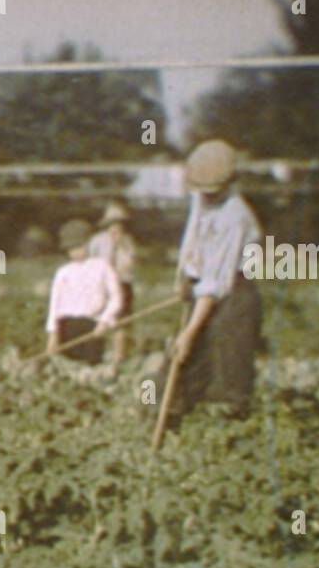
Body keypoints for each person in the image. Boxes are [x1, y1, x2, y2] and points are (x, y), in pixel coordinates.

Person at [158, 138, 264, 423]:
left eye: (212, 193)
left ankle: (226, 434)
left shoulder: (235, 217)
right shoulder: (201, 198)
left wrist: (190, 331)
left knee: (226, 365)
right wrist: (186, 276)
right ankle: (175, 424)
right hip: (205, 287)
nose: (206, 198)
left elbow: (217, 281)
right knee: (182, 365)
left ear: (230, 183)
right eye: (201, 192)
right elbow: (194, 237)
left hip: (235, 293)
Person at [46, 219, 124, 365]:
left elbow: (116, 299)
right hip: (67, 326)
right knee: (68, 366)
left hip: (92, 326)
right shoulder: (63, 272)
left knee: (92, 366)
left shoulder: (103, 267)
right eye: (71, 249)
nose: (75, 252)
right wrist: (53, 335)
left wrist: (104, 321)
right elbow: (54, 307)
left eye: (79, 246)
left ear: (89, 243)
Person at [88, 201, 137, 361]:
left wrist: (120, 245)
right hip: (102, 285)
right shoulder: (97, 241)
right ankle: (97, 355)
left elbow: (129, 265)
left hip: (122, 284)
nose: (116, 227)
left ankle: (119, 356)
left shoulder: (128, 243)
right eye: (113, 223)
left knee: (121, 322)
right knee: (99, 318)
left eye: (120, 223)